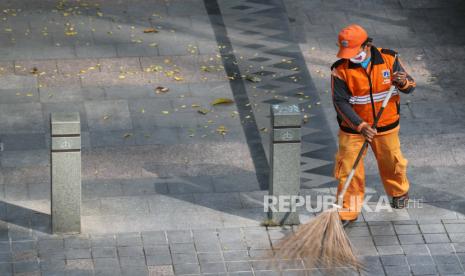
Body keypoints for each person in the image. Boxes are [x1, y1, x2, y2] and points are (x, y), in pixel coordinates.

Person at [330, 24, 416, 227]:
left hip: (386, 126)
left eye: (354, 51)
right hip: (353, 129)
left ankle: (398, 192)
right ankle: (348, 211)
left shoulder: (389, 59)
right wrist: (360, 125)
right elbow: (340, 102)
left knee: (392, 162)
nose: (351, 57)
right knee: (349, 168)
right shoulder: (340, 69)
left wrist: (402, 82)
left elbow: (410, 86)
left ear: (367, 45)